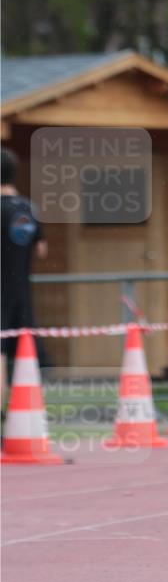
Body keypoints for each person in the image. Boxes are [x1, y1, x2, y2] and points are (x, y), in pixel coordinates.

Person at [1, 148, 48, 409]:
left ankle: (2, 412)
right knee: (25, 353)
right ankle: (28, 414)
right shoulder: (29, 208)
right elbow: (41, 249)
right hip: (22, 291)